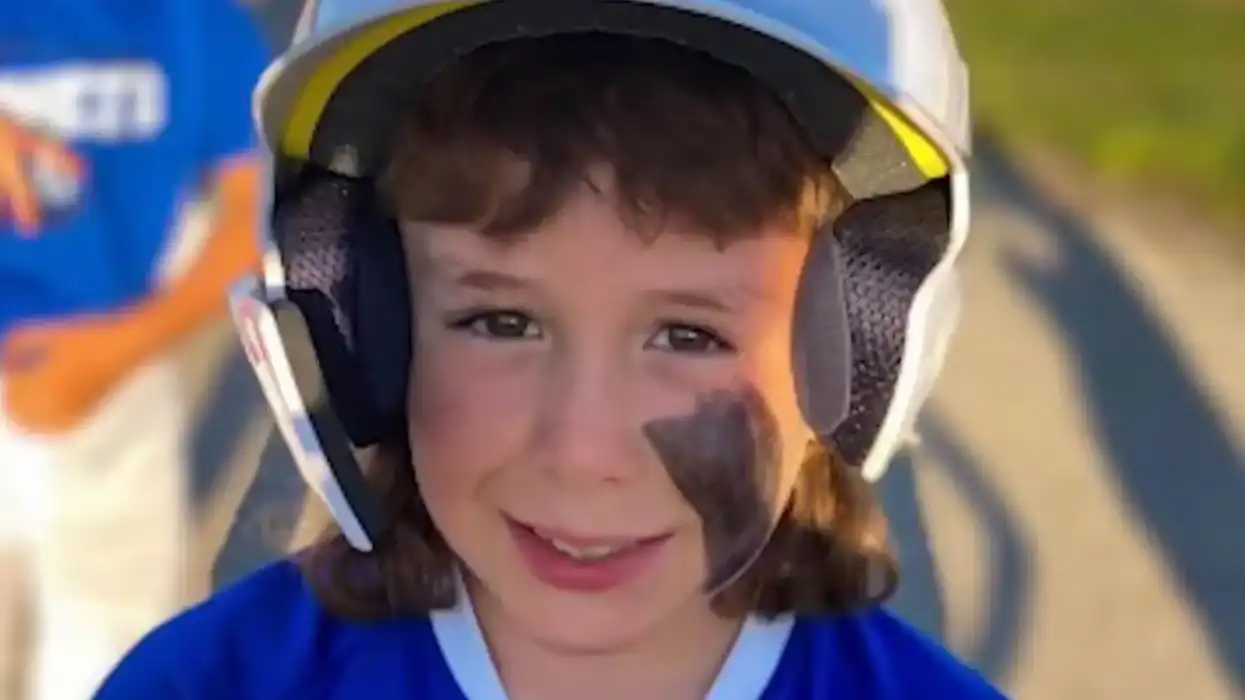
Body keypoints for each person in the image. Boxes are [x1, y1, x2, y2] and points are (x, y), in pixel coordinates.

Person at [96, 0, 1003, 698]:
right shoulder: (215, 682)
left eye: (688, 335)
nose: (581, 452)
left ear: (864, 356)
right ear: (366, 329)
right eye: (501, 321)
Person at [0, 1, 270, 698]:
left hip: (104, 394)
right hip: (100, 376)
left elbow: (260, 206)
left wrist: (120, 351)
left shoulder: (195, 27)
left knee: (103, 649)